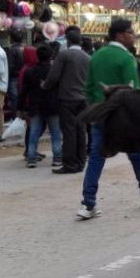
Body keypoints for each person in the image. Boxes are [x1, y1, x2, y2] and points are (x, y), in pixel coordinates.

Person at [78, 19, 140, 220]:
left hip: (100, 114)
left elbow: (89, 88)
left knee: (96, 157)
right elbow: (132, 93)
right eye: (130, 32)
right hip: (124, 117)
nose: (133, 35)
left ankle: (88, 203)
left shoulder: (96, 56)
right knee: (135, 153)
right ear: (119, 35)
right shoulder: (126, 59)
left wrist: (97, 109)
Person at [42, 28, 91, 174]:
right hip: (83, 99)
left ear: (68, 41)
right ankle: (81, 162)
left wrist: (44, 85)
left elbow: (53, 76)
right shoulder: (87, 57)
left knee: (69, 131)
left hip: (68, 98)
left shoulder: (64, 55)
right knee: (81, 130)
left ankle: (70, 164)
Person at [18, 45, 62, 168]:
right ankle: (57, 157)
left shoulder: (29, 72)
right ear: (51, 56)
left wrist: (20, 108)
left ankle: (31, 157)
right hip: (53, 105)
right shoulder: (55, 71)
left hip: (35, 105)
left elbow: (23, 92)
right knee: (55, 132)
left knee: (34, 131)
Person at [7, 30, 25, 118]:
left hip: (13, 77)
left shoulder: (12, 50)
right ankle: (20, 116)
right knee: (20, 97)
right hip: (22, 76)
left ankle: (15, 117)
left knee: (14, 98)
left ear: (11, 39)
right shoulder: (24, 48)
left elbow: (10, 66)